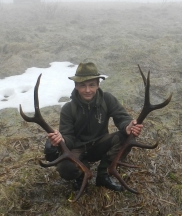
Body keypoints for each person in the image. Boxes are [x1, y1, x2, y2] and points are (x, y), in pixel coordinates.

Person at [47, 62, 143, 191]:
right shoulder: (68, 109)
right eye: (83, 85)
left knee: (127, 138)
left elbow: (122, 118)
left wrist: (127, 126)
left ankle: (103, 175)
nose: (87, 90)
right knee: (66, 169)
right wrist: (61, 140)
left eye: (92, 85)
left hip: (100, 144)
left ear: (98, 85)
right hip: (78, 148)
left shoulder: (107, 99)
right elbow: (68, 137)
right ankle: (80, 175)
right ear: (76, 86)